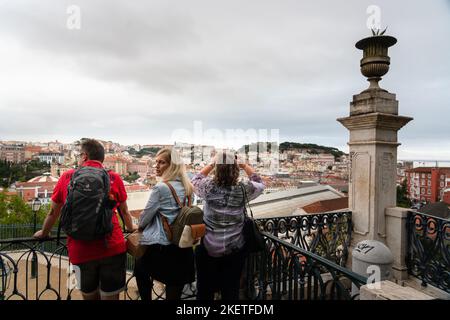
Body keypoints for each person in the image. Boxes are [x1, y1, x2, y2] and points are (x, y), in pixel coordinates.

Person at [33, 138, 137, 300]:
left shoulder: (68, 177)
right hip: (111, 247)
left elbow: (53, 212)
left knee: (89, 297)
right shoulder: (114, 178)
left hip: (80, 250)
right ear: (102, 158)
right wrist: (131, 229)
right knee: (111, 297)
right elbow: (124, 211)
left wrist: (44, 232)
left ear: (84, 156)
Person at [191, 150, 265, 300]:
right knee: (230, 290)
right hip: (234, 248)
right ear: (236, 169)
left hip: (208, 248)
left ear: (217, 169)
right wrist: (244, 165)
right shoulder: (243, 189)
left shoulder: (207, 187)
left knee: (204, 290)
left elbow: (195, 180)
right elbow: (260, 183)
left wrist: (212, 163)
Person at [134, 147, 195, 301]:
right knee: (174, 290)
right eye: (156, 162)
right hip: (182, 246)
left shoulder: (161, 188)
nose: (156, 166)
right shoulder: (189, 187)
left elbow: (144, 218)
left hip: (162, 247)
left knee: (140, 270)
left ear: (172, 166)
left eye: (161, 162)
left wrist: (139, 226)